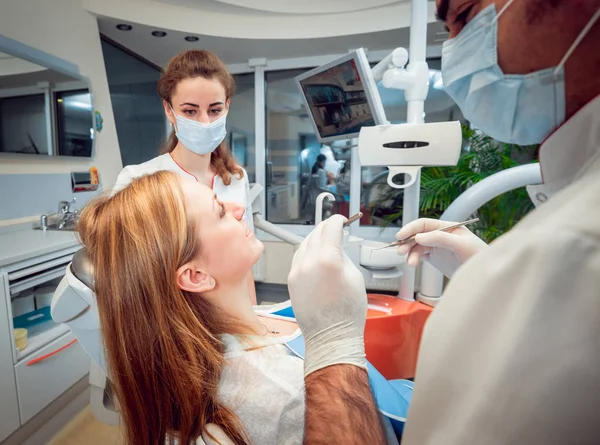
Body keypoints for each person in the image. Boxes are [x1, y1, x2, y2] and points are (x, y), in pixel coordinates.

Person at [284, 0, 600, 444]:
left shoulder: (574, 253)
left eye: (465, 16)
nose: (453, 52)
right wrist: (484, 269)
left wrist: (332, 344)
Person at [80, 171, 305, 445]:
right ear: (196, 276)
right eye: (220, 211)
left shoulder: (217, 337)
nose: (239, 209)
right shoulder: (286, 393)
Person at [113, 49, 257, 305]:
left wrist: (255, 319)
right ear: (169, 110)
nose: (204, 121)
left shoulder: (236, 177)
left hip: (233, 312)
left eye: (214, 110)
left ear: (227, 107)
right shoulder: (138, 180)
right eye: (190, 111)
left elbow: (244, 261)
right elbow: (127, 276)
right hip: (176, 320)